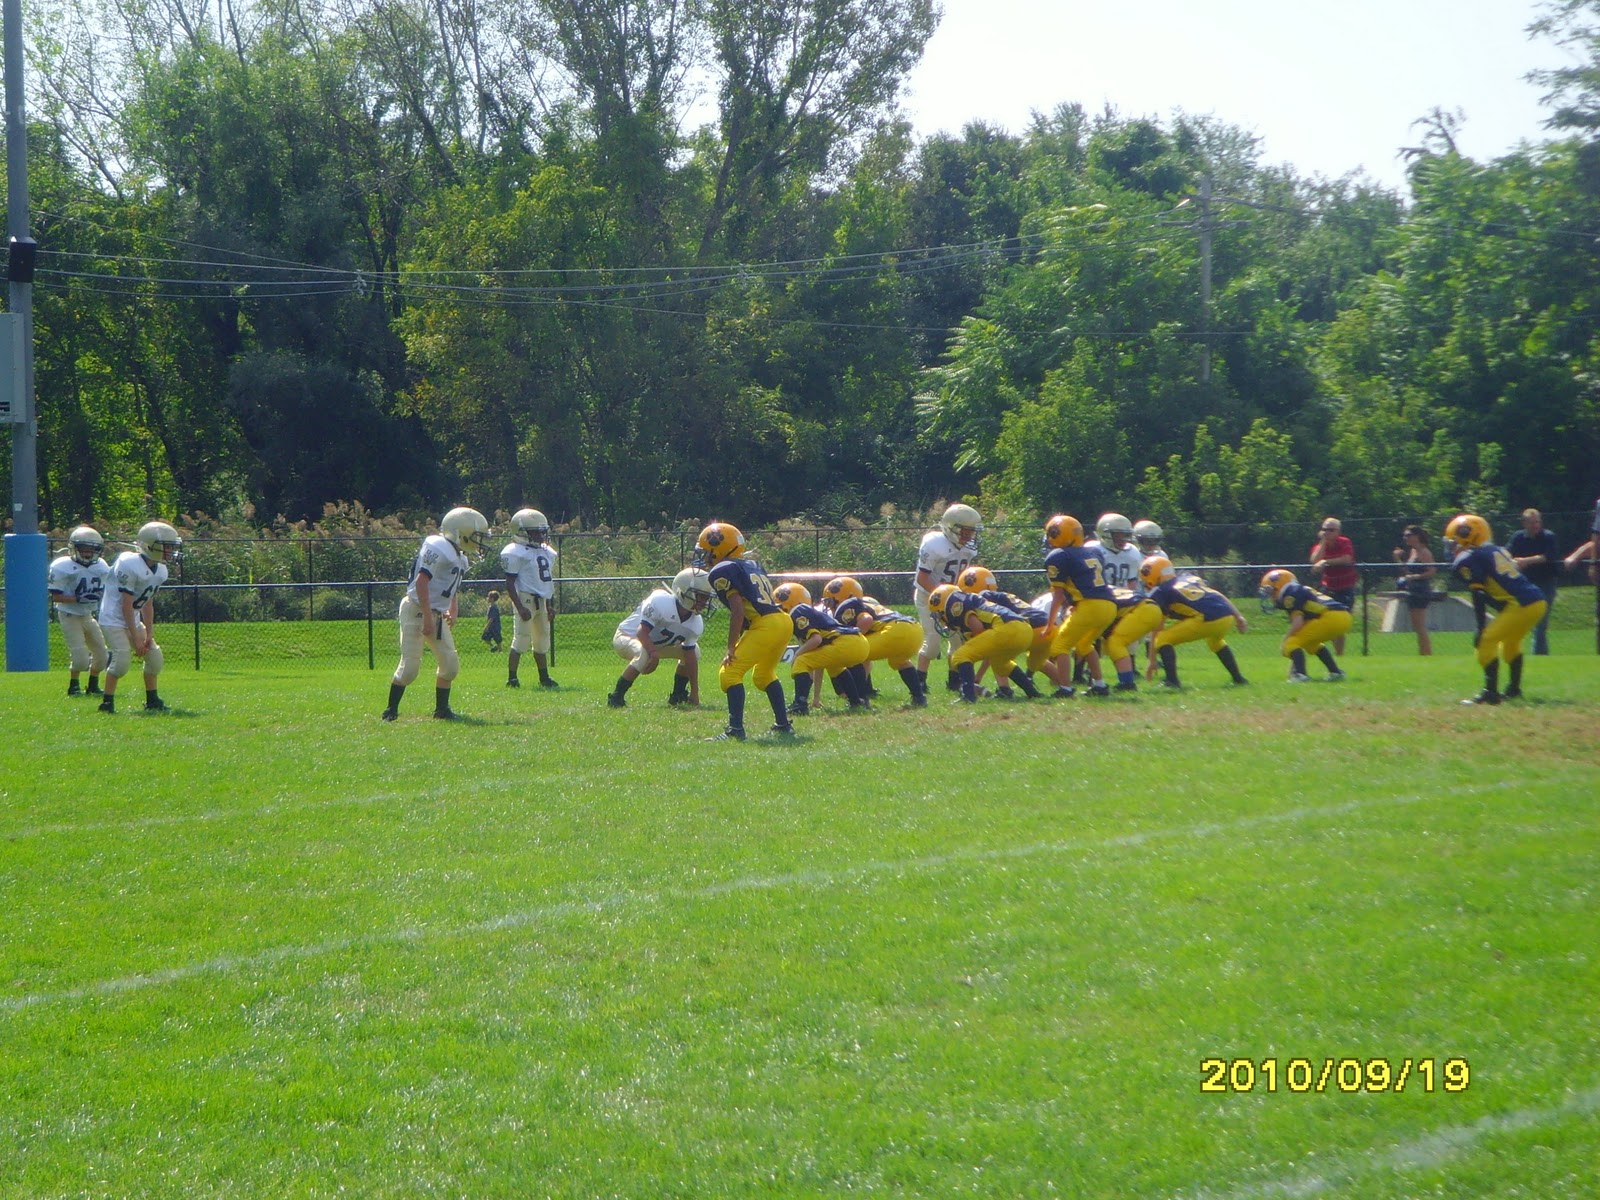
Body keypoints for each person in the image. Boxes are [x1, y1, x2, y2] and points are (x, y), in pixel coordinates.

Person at [382, 506, 488, 721]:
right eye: (476, 536)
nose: (479, 541)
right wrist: (428, 617)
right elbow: (421, 582)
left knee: (450, 666)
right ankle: (390, 711)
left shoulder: (460, 558)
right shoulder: (438, 546)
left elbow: (452, 588)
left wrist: (452, 610)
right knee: (410, 668)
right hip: (416, 609)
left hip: (436, 613)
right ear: (460, 532)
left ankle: (441, 710)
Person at [695, 522, 794, 741]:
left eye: (706, 550)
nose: (704, 556)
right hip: (783, 621)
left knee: (729, 673)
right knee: (764, 674)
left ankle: (735, 731)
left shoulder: (722, 570)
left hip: (765, 624)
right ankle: (783, 725)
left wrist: (731, 647)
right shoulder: (751, 564)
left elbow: (738, 611)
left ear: (719, 547)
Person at [1443, 513, 1547, 705]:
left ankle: (1490, 693)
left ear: (1469, 534)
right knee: (1510, 642)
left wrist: (1481, 627)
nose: (1453, 546)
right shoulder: (1495, 550)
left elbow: (1479, 594)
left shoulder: (1472, 557)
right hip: (1537, 601)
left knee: (1486, 641)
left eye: (1456, 540)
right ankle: (1514, 689)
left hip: (1521, 603)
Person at [97, 520, 182, 714]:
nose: (170, 551)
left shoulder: (160, 570)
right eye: (166, 546)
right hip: (113, 619)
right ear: (149, 545)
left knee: (155, 659)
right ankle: (107, 703)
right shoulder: (129, 563)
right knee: (121, 662)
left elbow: (148, 603)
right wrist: (136, 638)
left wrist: (149, 633)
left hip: (133, 619)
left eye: (171, 546)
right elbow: (126, 605)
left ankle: (153, 700)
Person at [607, 568, 715, 708]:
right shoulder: (661, 602)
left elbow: (689, 656)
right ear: (684, 592)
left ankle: (678, 695)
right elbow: (641, 632)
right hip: (627, 636)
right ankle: (616, 697)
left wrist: (695, 692)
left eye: (706, 598)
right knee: (643, 652)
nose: (705, 602)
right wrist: (653, 653)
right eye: (701, 597)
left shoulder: (695, 622)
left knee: (695, 651)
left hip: (655, 644)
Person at [1142, 556, 1250, 688]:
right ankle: (1238, 678)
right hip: (1227, 616)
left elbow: (1157, 629)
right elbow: (1217, 594)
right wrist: (1238, 616)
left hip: (1206, 619)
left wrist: (1152, 660)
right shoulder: (1188, 578)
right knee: (1215, 642)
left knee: (1163, 639)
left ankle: (1172, 681)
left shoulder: (1161, 592)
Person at [1042, 513, 1119, 698]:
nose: (1050, 538)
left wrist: (1049, 624)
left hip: (1089, 606)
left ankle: (1065, 689)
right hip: (1109, 605)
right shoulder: (1094, 551)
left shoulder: (1059, 555)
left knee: (1059, 646)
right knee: (1084, 644)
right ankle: (1099, 685)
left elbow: (1058, 595)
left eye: (1053, 533)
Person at [822, 575, 927, 706]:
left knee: (855, 652)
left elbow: (866, 619)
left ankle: (861, 699)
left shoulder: (851, 606)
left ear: (845, 596)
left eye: (830, 602)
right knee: (900, 661)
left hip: (895, 630)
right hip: (915, 630)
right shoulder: (868, 603)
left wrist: (853, 636)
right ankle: (919, 697)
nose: (830, 606)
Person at [927, 583, 1039, 702]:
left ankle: (968, 696)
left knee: (960, 656)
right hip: (1024, 630)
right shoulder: (966, 599)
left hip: (1007, 628)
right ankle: (1033, 694)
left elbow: (978, 628)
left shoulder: (955, 604)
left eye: (938, 614)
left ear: (943, 605)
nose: (940, 620)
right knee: (1001, 664)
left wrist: (973, 650)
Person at [914, 503, 982, 694]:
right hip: (929, 597)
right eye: (965, 531)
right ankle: (919, 682)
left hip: (953, 598)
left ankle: (954, 681)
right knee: (933, 642)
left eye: (971, 531)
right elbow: (922, 578)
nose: (969, 536)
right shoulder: (934, 544)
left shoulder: (967, 549)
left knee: (958, 640)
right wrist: (942, 596)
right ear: (951, 527)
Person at [774, 582, 870, 714]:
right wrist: (816, 698)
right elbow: (818, 664)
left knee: (801, 661)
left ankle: (800, 705)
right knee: (834, 667)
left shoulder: (797, 612)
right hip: (859, 642)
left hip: (845, 643)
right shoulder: (807, 613)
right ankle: (856, 701)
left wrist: (797, 655)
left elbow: (816, 639)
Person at [956, 566, 1053, 697]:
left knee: (997, 653)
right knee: (1025, 661)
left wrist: (977, 678)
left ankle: (1005, 688)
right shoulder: (998, 595)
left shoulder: (982, 599)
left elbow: (990, 647)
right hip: (1044, 625)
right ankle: (1062, 687)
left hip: (1027, 627)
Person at [48, 525, 112, 696]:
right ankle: (74, 686)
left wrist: (99, 596)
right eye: (83, 548)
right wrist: (79, 598)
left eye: (91, 549)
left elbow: (107, 590)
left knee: (102, 656)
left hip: (87, 615)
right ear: (74, 548)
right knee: (80, 658)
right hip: (69, 614)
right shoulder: (63, 566)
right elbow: (56, 596)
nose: (87, 552)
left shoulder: (101, 566)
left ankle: (93, 685)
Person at [1258, 567, 1349, 683]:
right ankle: (1335, 672)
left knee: (1291, 643)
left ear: (1279, 586)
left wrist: (1285, 639)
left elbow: (1298, 623)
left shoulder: (1289, 595)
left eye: (1271, 592)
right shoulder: (1298, 590)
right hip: (1344, 617)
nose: (1271, 597)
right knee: (1311, 644)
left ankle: (1300, 675)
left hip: (1330, 617)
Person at [501, 508, 559, 688]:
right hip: (525, 598)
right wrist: (519, 607)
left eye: (542, 532)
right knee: (521, 638)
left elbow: (545, 582)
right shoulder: (515, 551)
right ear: (522, 532)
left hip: (542, 600)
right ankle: (512, 678)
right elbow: (510, 583)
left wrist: (549, 605)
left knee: (542, 641)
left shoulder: (546, 552)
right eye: (536, 532)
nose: (541, 536)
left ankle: (544, 678)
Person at [1506, 508, 1560, 655]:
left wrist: (1525, 561)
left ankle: (1539, 657)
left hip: (1546, 583)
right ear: (1524, 523)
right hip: (1526, 584)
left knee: (1540, 624)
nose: (1536, 525)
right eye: (1532, 522)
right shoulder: (1518, 537)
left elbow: (1547, 556)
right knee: (1525, 622)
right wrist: (1512, 561)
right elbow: (1506, 554)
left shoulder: (1548, 536)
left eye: (1537, 522)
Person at [1309, 517, 1358, 655]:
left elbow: (1346, 559)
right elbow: (1314, 560)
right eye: (1324, 529)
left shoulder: (1344, 542)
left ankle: (1339, 655)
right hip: (1328, 588)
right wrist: (1323, 542)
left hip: (1345, 588)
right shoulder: (1320, 546)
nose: (1327, 532)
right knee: (1328, 622)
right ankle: (1325, 652)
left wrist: (1325, 562)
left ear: (1338, 532)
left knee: (1340, 624)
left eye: (1331, 530)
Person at [1390, 524, 1436, 656]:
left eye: (1408, 535)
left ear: (1417, 536)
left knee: (1420, 626)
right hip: (1412, 589)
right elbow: (1407, 572)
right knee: (1416, 626)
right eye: (1405, 536)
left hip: (1421, 590)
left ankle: (1426, 654)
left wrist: (1417, 576)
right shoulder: (1413, 551)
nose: (1406, 538)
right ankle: (1423, 653)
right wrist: (1397, 558)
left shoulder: (1424, 552)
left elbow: (1432, 571)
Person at [1087, 513, 1143, 591]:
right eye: (1117, 536)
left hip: (1124, 594)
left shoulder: (1132, 551)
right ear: (1103, 535)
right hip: (1098, 593)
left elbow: (1132, 582)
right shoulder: (1092, 550)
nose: (1122, 540)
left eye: (1125, 535)